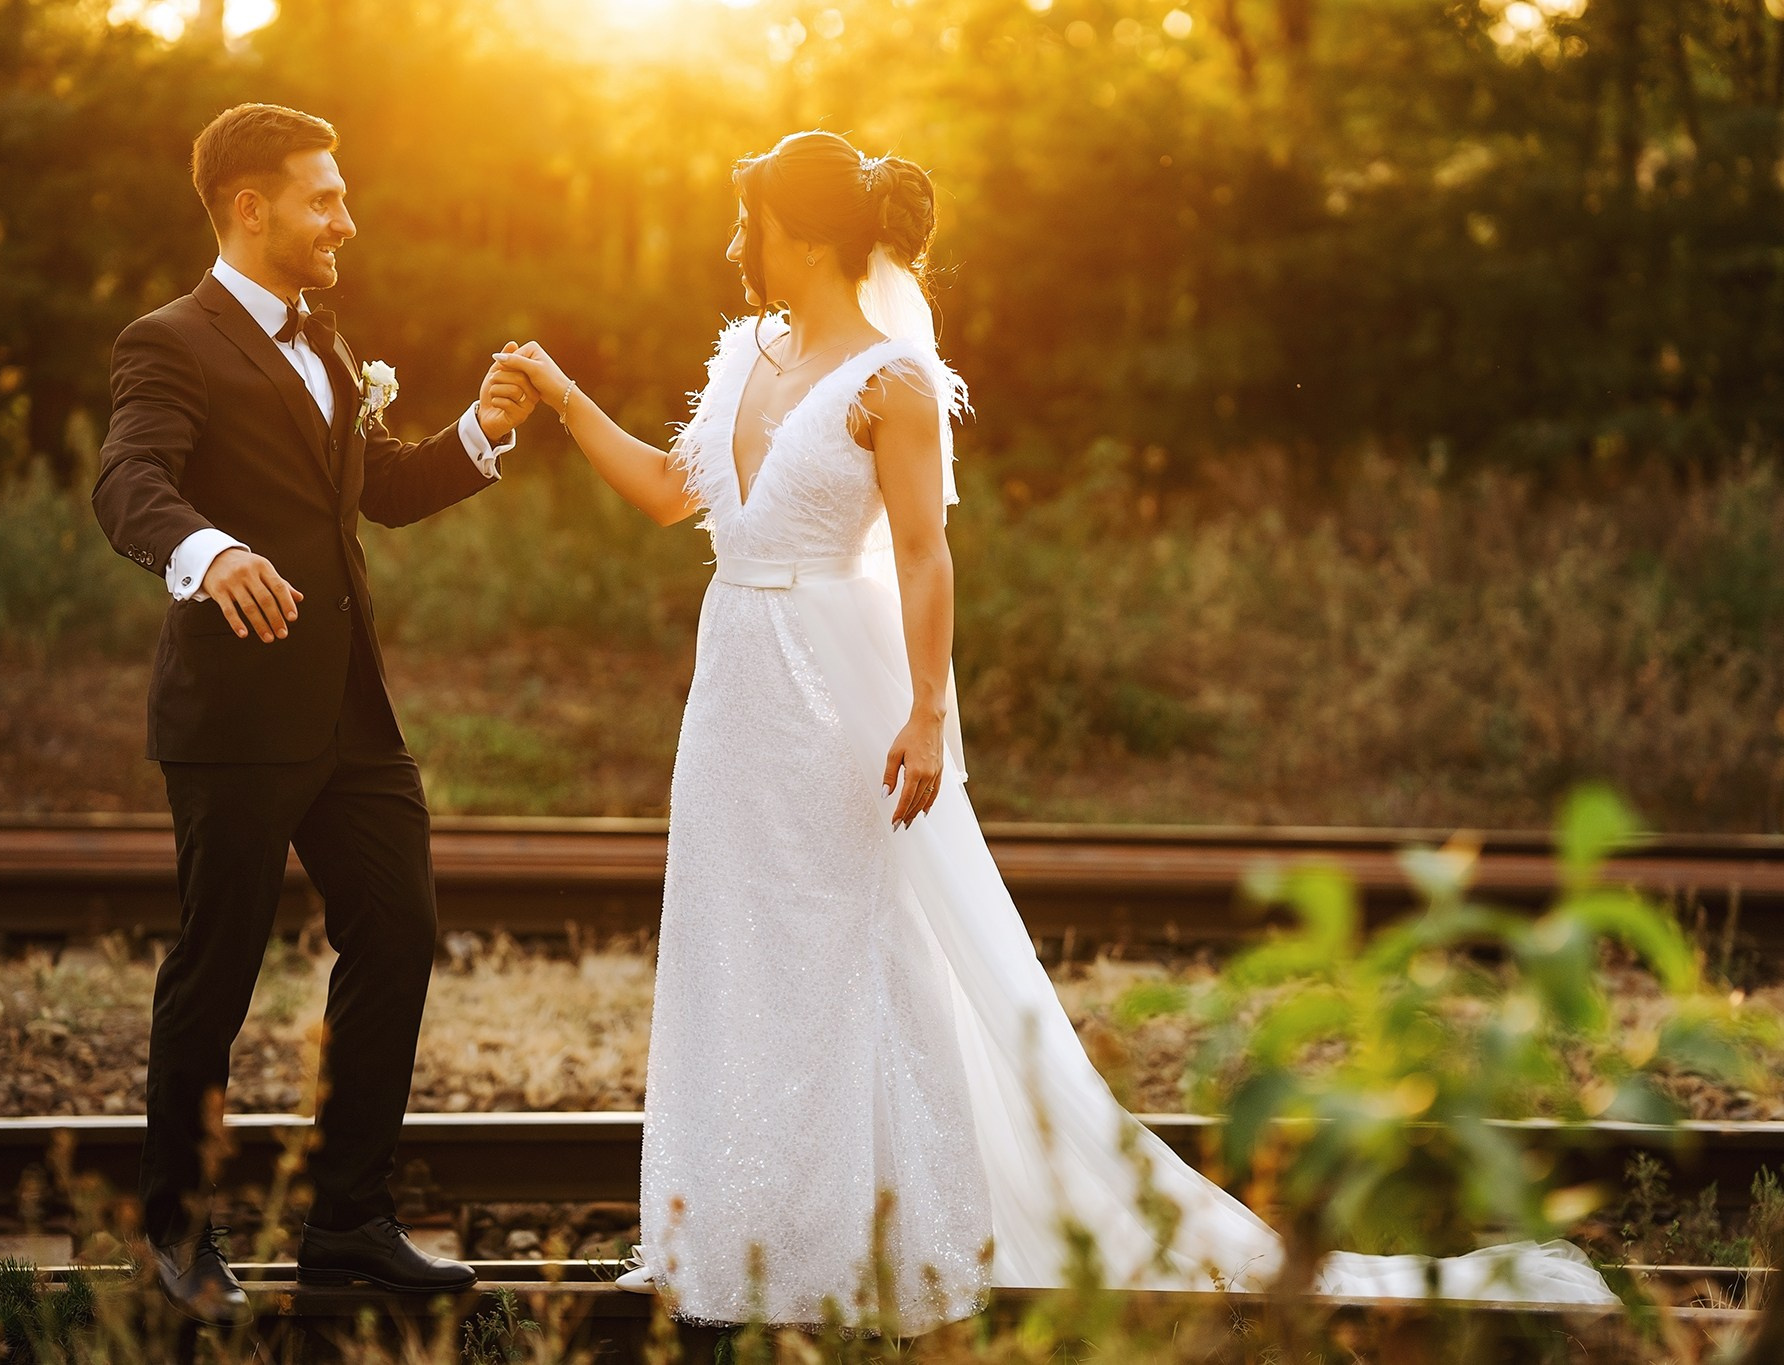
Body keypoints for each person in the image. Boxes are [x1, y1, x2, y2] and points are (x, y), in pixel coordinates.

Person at [486, 130, 1619, 1335]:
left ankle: (869, 1237)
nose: (733, 246)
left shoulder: (892, 384)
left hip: (843, 689)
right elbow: (671, 495)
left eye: (748, 222)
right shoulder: (740, 363)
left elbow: (924, 556)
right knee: (732, 944)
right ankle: (725, 1228)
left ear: (802, 235)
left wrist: (927, 715)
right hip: (733, 696)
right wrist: (558, 398)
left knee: (853, 945)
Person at [92, 102, 533, 1325]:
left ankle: (345, 1222)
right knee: (216, 965)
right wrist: (205, 550)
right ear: (251, 207)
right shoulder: (169, 342)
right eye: (324, 197)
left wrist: (479, 435)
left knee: (398, 933)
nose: (348, 218)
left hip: (351, 715)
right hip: (233, 719)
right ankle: (176, 1235)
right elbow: (130, 480)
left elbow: (373, 491)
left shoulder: (325, 344)